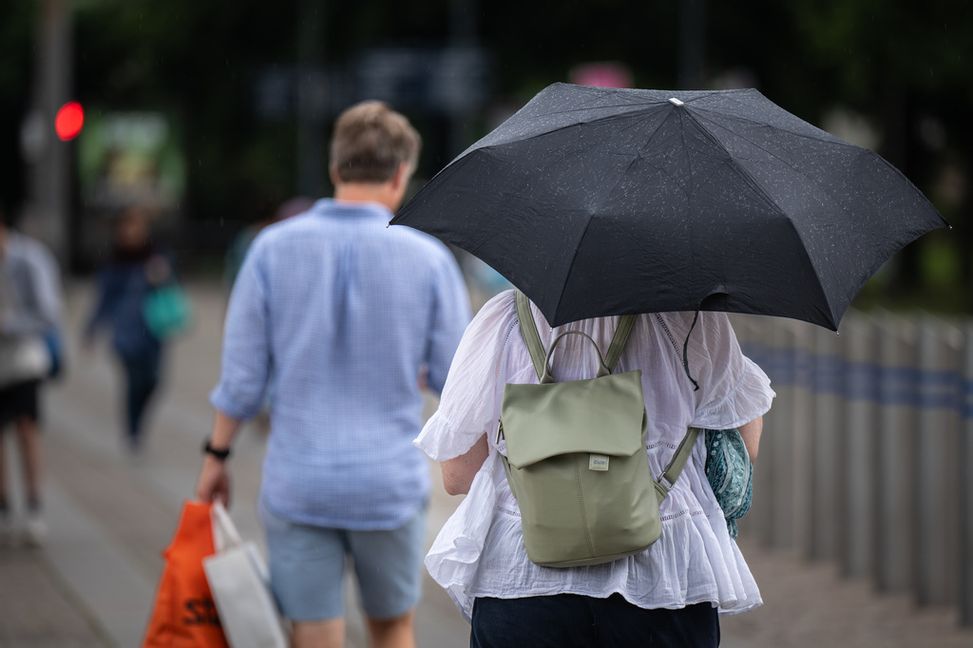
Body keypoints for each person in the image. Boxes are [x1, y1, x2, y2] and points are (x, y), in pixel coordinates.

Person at [194, 101, 471, 648]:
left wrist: (216, 458)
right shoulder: (429, 258)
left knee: (313, 632)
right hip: (387, 486)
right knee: (393, 627)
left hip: (299, 482)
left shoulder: (268, 249)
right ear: (400, 174)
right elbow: (457, 382)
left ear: (334, 169)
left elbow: (243, 380)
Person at [416, 293, 774, 647]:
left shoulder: (506, 318)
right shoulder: (691, 320)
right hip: (661, 580)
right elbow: (746, 448)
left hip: (522, 582)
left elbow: (458, 475)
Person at [84, 206, 172, 453]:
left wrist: (161, 275)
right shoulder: (113, 260)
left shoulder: (156, 255)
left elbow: (172, 283)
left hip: (153, 330)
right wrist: (91, 330)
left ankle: (138, 422)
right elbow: (102, 299)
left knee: (154, 381)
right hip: (125, 332)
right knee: (134, 382)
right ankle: (133, 430)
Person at [0, 206, 62, 546]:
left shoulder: (29, 259)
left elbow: (47, 313)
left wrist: (8, 325)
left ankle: (34, 506)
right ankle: (5, 509)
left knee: (26, 430)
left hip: (23, 360)